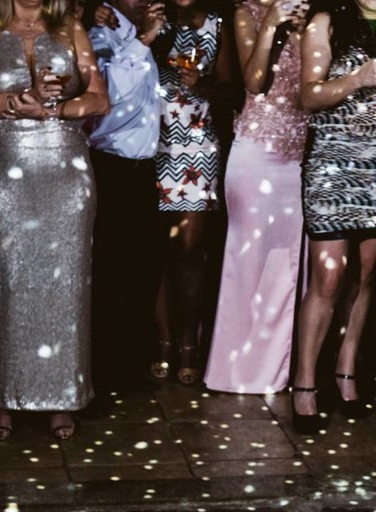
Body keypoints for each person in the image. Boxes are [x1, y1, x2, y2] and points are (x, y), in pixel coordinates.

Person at [0, 0, 110, 440]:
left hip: (64, 169)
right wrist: (14, 102)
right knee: (6, 281)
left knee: (66, 282)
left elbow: (99, 98)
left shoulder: (70, 27)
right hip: (5, 170)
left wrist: (53, 110)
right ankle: (3, 396)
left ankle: (61, 395)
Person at [291, 0, 376, 434]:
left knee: (366, 274)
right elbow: (308, 95)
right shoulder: (326, 23)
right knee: (329, 278)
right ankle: (305, 381)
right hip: (332, 166)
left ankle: (346, 368)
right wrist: (358, 78)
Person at [203, 0, 311, 395]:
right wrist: (270, 25)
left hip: (303, 156)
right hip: (256, 153)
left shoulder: (312, 15)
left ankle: (280, 371)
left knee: (289, 267)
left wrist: (304, 30)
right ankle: (234, 371)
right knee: (248, 263)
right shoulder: (245, 12)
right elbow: (253, 81)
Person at [150, 0, 234, 385]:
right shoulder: (155, 22)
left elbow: (233, 93)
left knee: (189, 247)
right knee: (160, 249)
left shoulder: (218, 25)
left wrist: (201, 85)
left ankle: (190, 342)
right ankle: (163, 343)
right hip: (152, 144)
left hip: (198, 148)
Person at [87, 0, 166, 393]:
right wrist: (145, 40)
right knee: (109, 273)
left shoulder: (136, 32)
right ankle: (102, 374)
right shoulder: (97, 33)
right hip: (110, 166)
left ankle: (129, 367)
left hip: (143, 167)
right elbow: (110, 95)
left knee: (141, 268)